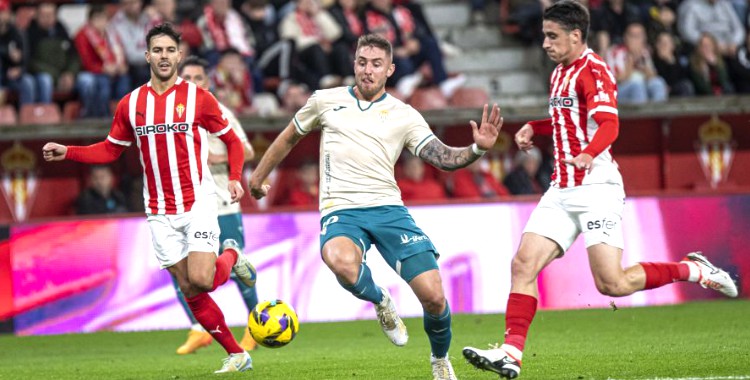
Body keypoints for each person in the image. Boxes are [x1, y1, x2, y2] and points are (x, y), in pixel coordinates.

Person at [461, 2, 738, 379]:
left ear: (576, 36)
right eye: (545, 35)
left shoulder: (595, 71)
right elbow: (567, 121)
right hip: (561, 188)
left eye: (552, 36)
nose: (544, 43)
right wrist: (534, 127)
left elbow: (609, 125)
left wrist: (588, 155)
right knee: (523, 265)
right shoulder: (559, 73)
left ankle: (692, 269)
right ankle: (511, 353)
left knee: (612, 283)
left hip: (596, 188)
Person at [248, 33, 503, 380]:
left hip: (388, 210)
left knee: (434, 297)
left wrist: (476, 150)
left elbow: (442, 157)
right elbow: (289, 136)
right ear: (354, 64)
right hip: (341, 210)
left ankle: (440, 359)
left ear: (390, 70)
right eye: (362, 62)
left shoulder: (404, 115)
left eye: (376, 64)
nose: (368, 70)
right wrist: (258, 177)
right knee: (338, 259)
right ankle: (381, 300)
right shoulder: (325, 101)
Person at [42, 24, 255, 374]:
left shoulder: (198, 98)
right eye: (158, 50)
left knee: (202, 279)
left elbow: (232, 140)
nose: (164, 56)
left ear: (179, 55)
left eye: (170, 50)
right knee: (189, 288)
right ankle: (237, 354)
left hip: (197, 202)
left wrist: (233, 178)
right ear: (147, 56)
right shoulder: (132, 103)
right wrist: (68, 151)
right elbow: (111, 149)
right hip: (158, 210)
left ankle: (231, 254)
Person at [174, 55, 259, 354]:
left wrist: (216, 159)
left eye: (198, 78)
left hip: (222, 203)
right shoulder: (170, 114)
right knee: (179, 270)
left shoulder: (219, 111)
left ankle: (255, 325)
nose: (193, 84)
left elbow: (246, 151)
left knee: (237, 267)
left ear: (207, 83)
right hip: (187, 205)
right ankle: (199, 329)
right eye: (187, 79)